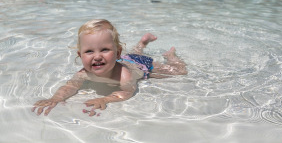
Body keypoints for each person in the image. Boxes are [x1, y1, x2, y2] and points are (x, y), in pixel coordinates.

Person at [32, 19, 187, 116]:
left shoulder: (124, 75)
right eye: (89, 51)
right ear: (80, 55)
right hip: (127, 58)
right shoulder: (83, 73)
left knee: (180, 72)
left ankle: (171, 55)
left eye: (104, 50)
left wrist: (106, 99)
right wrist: (56, 98)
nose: (97, 56)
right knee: (134, 53)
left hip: (141, 65)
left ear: (117, 52)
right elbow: (70, 86)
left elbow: (127, 91)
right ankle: (142, 42)